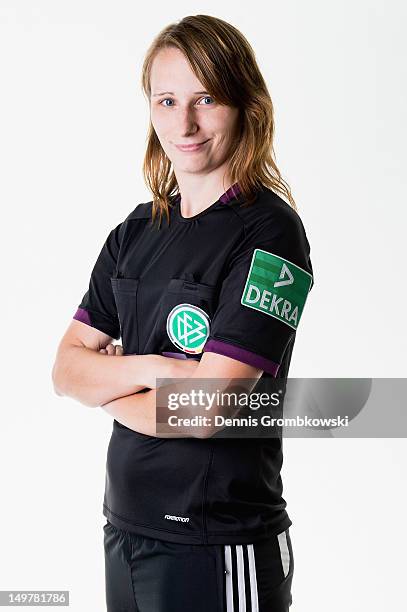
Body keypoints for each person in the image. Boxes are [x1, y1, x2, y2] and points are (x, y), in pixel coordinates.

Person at [52, 14, 314, 612]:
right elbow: (65, 371)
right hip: (124, 529)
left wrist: (107, 387)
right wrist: (158, 370)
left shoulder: (270, 233)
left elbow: (211, 408)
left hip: (217, 545)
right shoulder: (135, 231)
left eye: (206, 99)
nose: (185, 123)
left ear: (244, 104)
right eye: (167, 101)